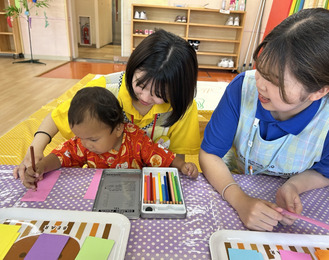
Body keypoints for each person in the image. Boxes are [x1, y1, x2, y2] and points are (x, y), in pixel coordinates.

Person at [199, 8, 329, 231]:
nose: (259, 83)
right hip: (234, 181)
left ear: (318, 92)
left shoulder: (324, 121)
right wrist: (240, 200)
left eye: (275, 81)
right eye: (261, 69)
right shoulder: (242, 88)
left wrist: (294, 186)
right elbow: (210, 154)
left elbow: (324, 171)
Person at [14, 29, 200, 180]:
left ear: (177, 91)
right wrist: (37, 150)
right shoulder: (105, 89)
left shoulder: (183, 106)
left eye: (159, 94)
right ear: (133, 67)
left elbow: (176, 158)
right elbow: (57, 118)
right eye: (140, 85)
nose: (145, 96)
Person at [23, 87, 199, 190]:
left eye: (93, 139)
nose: (85, 144)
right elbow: (63, 155)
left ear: (118, 129)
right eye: (80, 138)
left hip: (132, 192)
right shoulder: (84, 142)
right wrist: (40, 167)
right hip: (98, 193)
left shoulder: (136, 141)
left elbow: (160, 154)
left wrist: (183, 166)